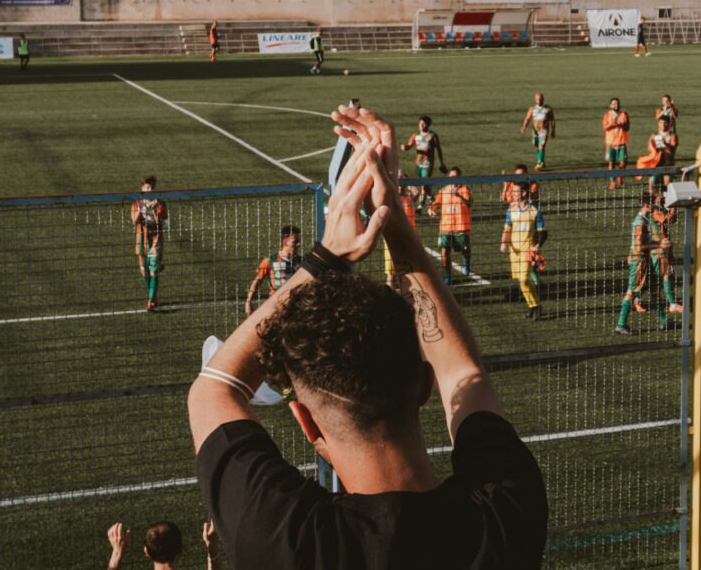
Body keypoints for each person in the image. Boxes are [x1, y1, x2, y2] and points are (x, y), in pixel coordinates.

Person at [188, 105, 548, 570]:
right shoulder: (506, 515)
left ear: (306, 424)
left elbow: (213, 387)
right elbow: (465, 373)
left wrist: (326, 256)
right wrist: (397, 224)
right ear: (423, 386)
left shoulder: (282, 539)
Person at [500, 182, 547, 320]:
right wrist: (503, 243)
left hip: (527, 251)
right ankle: (534, 307)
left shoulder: (535, 212)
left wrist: (538, 245)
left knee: (523, 280)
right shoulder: (511, 211)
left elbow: (543, 233)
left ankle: (536, 307)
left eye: (515, 191)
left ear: (524, 193)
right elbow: (507, 229)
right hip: (514, 251)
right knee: (522, 281)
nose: (513, 193)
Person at [615, 193, 658, 335]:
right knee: (632, 291)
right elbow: (639, 247)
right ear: (647, 205)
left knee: (646, 286)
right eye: (654, 203)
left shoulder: (644, 219)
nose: (655, 206)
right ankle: (621, 324)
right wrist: (659, 246)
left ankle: (663, 320)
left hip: (640, 259)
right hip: (639, 260)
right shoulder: (641, 222)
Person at [428, 166, 472, 285]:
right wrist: (431, 209)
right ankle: (448, 276)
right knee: (444, 253)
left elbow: (469, 204)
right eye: (451, 176)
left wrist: (459, 196)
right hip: (446, 226)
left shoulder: (465, 189)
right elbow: (436, 202)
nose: (453, 179)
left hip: (461, 226)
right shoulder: (444, 190)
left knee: (465, 249)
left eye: (456, 176)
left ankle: (466, 262)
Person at [245, 225, 302, 316]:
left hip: (296, 306)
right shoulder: (270, 260)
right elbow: (257, 281)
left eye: (299, 241)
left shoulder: (301, 261)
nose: (299, 244)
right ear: (285, 242)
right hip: (276, 306)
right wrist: (248, 302)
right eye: (295, 242)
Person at [131, 175, 168, 311]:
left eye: (152, 187)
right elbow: (134, 220)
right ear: (142, 188)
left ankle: (151, 300)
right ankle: (153, 295)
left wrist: (153, 211)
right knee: (144, 272)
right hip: (141, 241)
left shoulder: (160, 203)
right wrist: (143, 209)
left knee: (153, 272)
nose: (150, 189)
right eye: (147, 187)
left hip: (155, 240)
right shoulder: (136, 204)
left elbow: (163, 220)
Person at [400, 115, 447, 211]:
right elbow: (408, 146)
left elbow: (438, 149)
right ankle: (431, 197)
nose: (421, 125)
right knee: (424, 184)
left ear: (428, 125)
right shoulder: (415, 136)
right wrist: (404, 147)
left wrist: (442, 163)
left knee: (424, 184)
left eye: (424, 123)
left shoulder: (432, 136)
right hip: (418, 164)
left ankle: (420, 205)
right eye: (420, 123)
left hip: (427, 164)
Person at [650, 194, 683, 323]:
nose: (661, 196)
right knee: (665, 277)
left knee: (664, 279)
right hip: (658, 252)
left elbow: (672, 219)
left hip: (662, 250)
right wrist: (673, 204)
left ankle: (664, 319)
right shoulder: (655, 212)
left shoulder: (657, 210)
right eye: (658, 196)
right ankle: (672, 304)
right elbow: (669, 219)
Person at [384, 172, 418, 288]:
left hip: (409, 238)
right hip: (392, 238)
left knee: (407, 274)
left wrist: (404, 179)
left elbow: (416, 192)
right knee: (391, 274)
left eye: (401, 182)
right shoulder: (390, 197)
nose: (400, 185)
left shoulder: (408, 197)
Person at [636, 116, 678, 191]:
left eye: (665, 123)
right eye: (661, 122)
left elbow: (673, 148)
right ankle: (653, 200)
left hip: (668, 163)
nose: (663, 125)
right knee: (652, 185)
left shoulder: (672, 135)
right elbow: (649, 149)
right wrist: (655, 147)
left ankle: (665, 201)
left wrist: (665, 144)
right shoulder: (654, 135)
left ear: (668, 124)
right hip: (656, 163)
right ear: (658, 123)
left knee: (667, 185)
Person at [520, 92, 556, 171]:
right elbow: (528, 118)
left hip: (544, 130)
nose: (539, 101)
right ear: (535, 100)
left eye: (540, 99)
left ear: (543, 99)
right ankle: (542, 160)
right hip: (535, 130)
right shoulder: (532, 109)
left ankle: (539, 163)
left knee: (541, 145)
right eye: (537, 99)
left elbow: (552, 120)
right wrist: (524, 127)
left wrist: (553, 130)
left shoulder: (548, 109)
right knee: (536, 146)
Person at [602, 97, 630, 189]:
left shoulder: (624, 114)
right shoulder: (607, 115)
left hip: (621, 142)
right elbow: (605, 127)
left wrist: (621, 124)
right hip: (611, 143)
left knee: (623, 163)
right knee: (611, 164)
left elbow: (627, 127)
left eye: (617, 103)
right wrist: (613, 123)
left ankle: (620, 177)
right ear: (610, 105)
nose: (616, 105)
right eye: (614, 104)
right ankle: (612, 182)